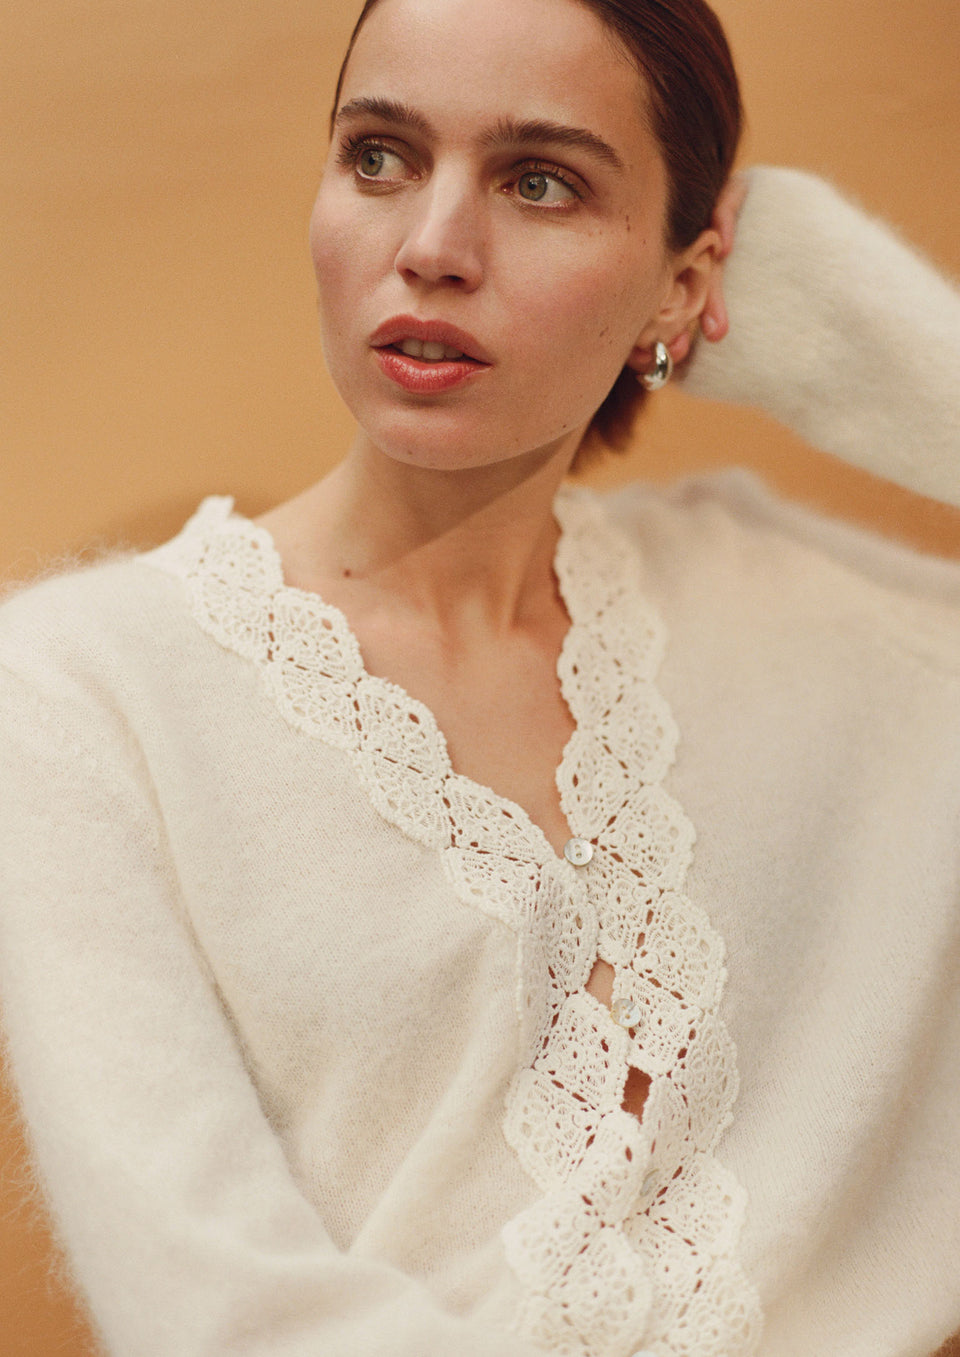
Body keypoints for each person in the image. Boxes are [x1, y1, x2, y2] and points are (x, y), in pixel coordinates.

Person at [1, 0, 958, 1354]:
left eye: (541, 182)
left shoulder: (808, 621)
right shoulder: (73, 694)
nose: (432, 248)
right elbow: (218, 1312)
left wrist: (839, 313)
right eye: (379, 157)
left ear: (687, 282)